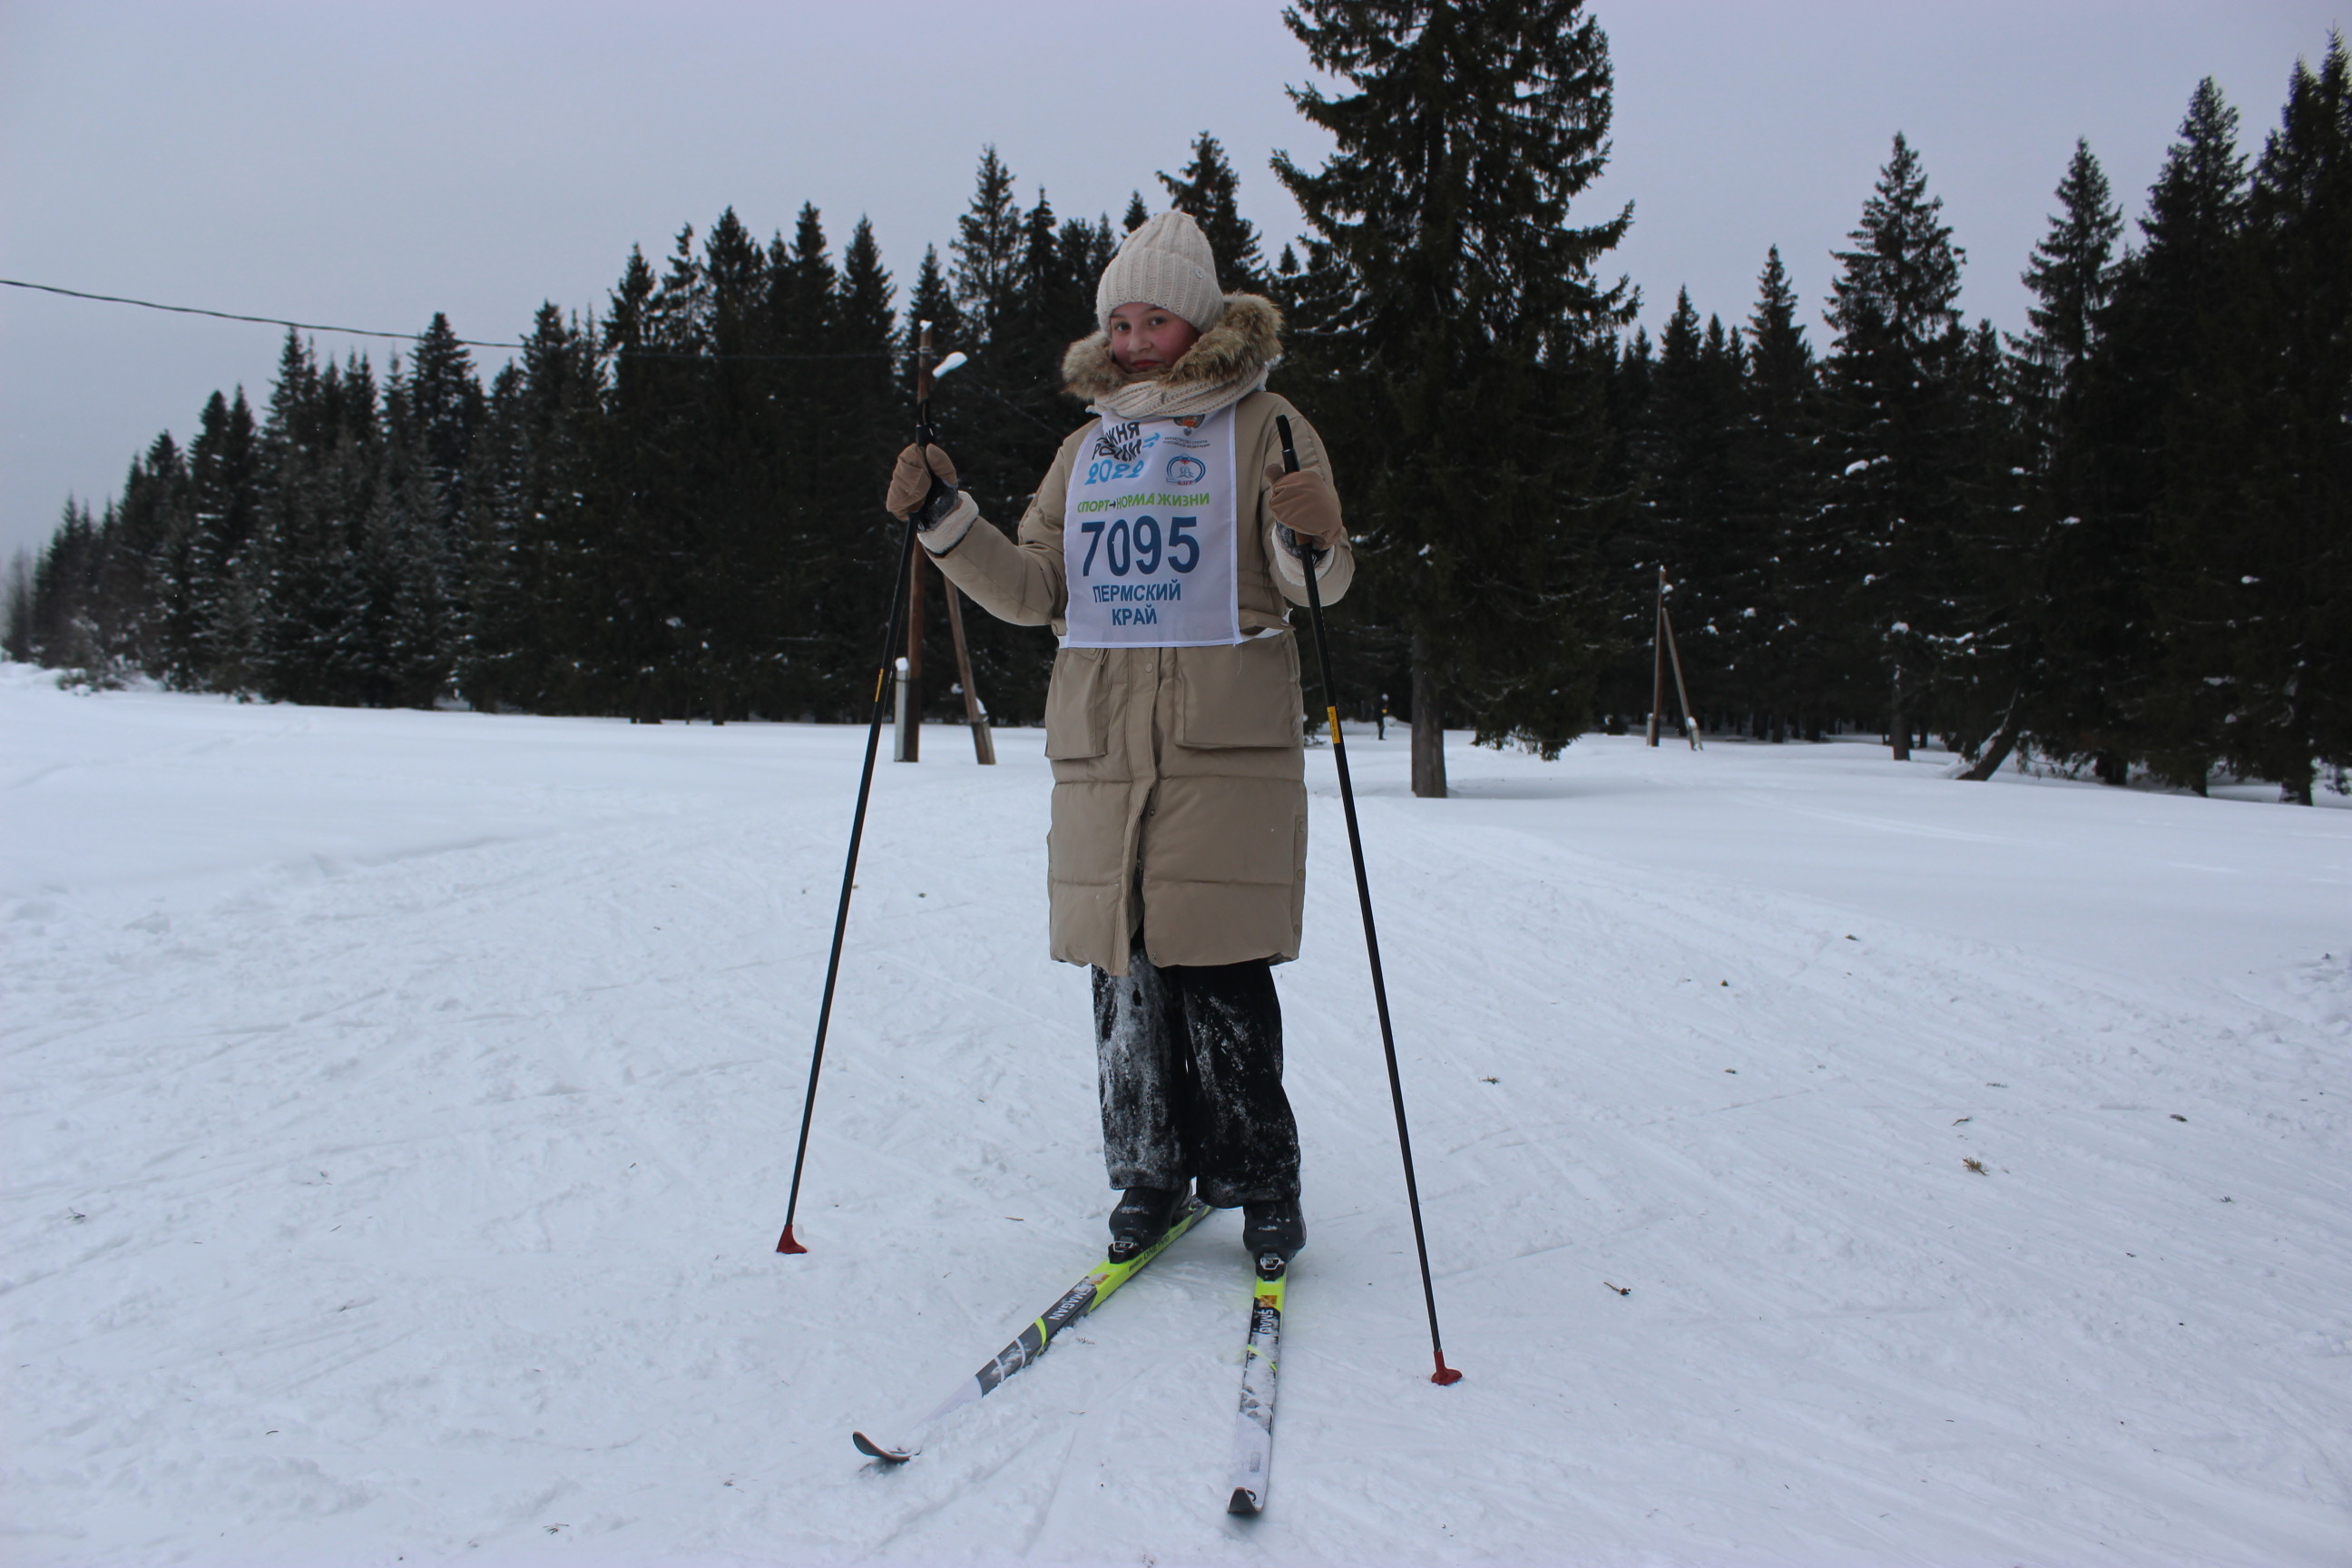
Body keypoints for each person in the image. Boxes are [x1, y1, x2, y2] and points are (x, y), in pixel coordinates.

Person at [883, 211, 1352, 1269]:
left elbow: (1314, 587)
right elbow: (1036, 591)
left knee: (1221, 969)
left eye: (1157, 320)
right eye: (1122, 322)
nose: (1136, 339)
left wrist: (1313, 536)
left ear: (1202, 322)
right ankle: (1149, 1173)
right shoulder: (1087, 451)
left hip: (1220, 749)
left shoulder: (1267, 423)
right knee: (1124, 972)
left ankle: (1260, 1180)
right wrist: (947, 522)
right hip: (1104, 752)